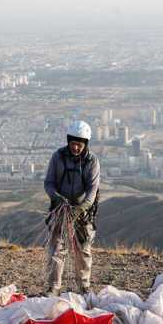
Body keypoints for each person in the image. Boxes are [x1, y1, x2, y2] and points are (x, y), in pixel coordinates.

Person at [43, 120, 100, 296]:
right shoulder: (58, 157)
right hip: (60, 207)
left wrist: (81, 208)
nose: (76, 148)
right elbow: (49, 182)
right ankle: (54, 286)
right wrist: (56, 198)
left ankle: (84, 286)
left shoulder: (92, 161)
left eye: (80, 145)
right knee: (57, 247)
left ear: (86, 144)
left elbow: (92, 190)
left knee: (83, 249)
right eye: (73, 144)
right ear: (68, 141)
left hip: (82, 212)